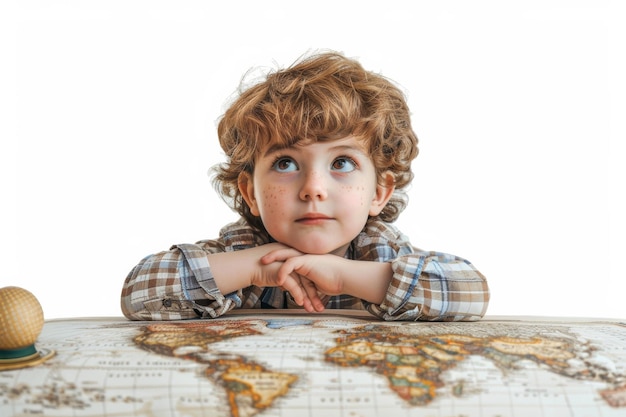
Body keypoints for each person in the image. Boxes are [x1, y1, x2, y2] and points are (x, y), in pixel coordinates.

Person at [120, 51, 490, 321]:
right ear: (250, 192)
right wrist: (254, 267)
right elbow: (138, 293)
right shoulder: (242, 250)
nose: (313, 188)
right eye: (286, 163)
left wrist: (345, 275)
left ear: (379, 192)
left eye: (342, 163)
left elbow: (471, 292)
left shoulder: (381, 252)